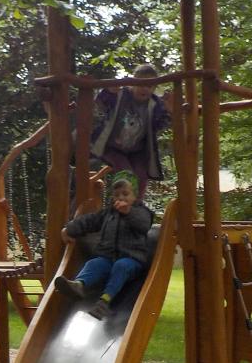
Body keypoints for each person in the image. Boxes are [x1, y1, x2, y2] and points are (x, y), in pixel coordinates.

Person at [55, 172, 153, 321]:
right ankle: (79, 285)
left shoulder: (142, 212)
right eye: (117, 195)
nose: (121, 198)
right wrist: (69, 229)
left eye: (125, 194)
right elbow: (89, 221)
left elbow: (144, 224)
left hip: (131, 260)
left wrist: (129, 212)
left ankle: (104, 302)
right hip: (107, 258)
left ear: (135, 196)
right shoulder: (108, 214)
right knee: (94, 263)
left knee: (121, 266)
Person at [90, 63, 171, 201]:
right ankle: (122, 202)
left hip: (137, 150)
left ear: (154, 88)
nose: (144, 89)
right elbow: (101, 102)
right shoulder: (121, 94)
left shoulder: (155, 104)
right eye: (140, 84)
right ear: (132, 83)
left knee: (141, 175)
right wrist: (109, 91)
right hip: (113, 147)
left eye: (149, 86)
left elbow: (160, 124)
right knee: (125, 172)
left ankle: (136, 205)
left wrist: (170, 111)